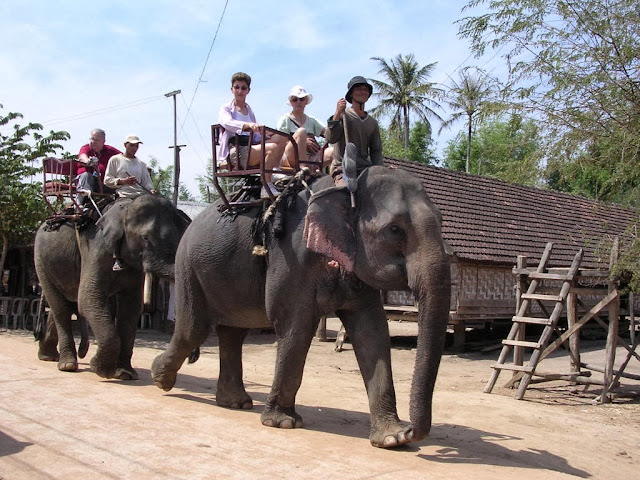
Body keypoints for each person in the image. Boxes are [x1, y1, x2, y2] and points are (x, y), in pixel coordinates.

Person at [217, 72, 287, 198]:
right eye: (237, 87)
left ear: (248, 90)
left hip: (251, 147)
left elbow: (254, 136)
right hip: (237, 150)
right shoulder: (226, 108)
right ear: (231, 89)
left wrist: (266, 135)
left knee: (281, 137)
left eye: (243, 88)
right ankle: (266, 184)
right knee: (272, 148)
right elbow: (227, 122)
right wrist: (247, 125)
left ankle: (273, 171)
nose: (240, 91)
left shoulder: (249, 110)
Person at [103, 135, 156, 271]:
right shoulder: (115, 160)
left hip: (141, 197)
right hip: (124, 197)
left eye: (137, 145)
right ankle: (117, 256)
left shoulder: (141, 164)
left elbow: (147, 182)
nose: (135, 148)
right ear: (125, 145)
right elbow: (107, 180)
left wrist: (151, 189)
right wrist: (123, 182)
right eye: (132, 145)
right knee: (117, 222)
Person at [325, 76, 383, 186]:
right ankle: (348, 166)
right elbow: (331, 138)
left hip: (365, 169)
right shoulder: (343, 115)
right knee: (343, 190)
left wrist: (381, 171)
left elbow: (376, 151)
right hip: (341, 168)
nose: (363, 92)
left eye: (366, 90)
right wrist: (337, 114)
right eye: (359, 89)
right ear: (351, 93)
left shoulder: (372, 123)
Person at [276, 86, 332, 169]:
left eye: (301, 99)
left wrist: (338, 118)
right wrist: (302, 142)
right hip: (290, 158)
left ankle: (339, 175)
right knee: (301, 132)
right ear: (291, 102)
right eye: (295, 99)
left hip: (311, 158)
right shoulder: (285, 119)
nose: (298, 102)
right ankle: (303, 169)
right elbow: (281, 143)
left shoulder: (312, 120)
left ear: (306, 101)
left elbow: (328, 132)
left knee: (333, 151)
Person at [75, 128, 121, 204]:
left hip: (103, 183)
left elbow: (124, 157)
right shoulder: (86, 148)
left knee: (117, 183)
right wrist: (88, 161)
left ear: (103, 142)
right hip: (87, 182)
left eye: (96, 140)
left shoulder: (110, 150)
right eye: (92, 139)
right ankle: (79, 204)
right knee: (86, 175)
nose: (93, 142)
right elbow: (82, 156)